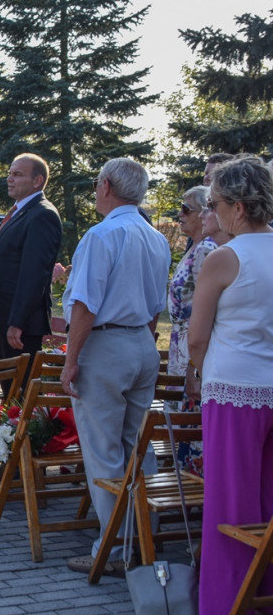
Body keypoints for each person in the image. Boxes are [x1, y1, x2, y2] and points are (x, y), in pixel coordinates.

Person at [60, 157, 171, 576]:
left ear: (106, 186)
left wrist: (71, 360)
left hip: (106, 343)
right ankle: (144, 537)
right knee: (138, 448)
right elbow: (155, 307)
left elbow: (85, 304)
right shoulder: (156, 237)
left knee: (103, 449)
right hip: (141, 342)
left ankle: (114, 547)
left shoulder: (102, 234)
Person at [187, 156, 273, 614]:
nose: (212, 211)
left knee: (231, 503)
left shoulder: (225, 257)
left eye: (216, 202)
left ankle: (226, 602)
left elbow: (197, 336)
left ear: (238, 207)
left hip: (234, 391)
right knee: (269, 499)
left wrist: (198, 371)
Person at [0, 153, 63, 362]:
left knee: (20, 392)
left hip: (18, 328)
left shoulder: (43, 214)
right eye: (9, 173)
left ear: (37, 181)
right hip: (1, 320)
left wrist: (18, 323)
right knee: (9, 391)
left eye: (17, 174)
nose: (10, 179)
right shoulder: (18, 211)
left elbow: (34, 275)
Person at [167, 186, 222, 476]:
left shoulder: (207, 250)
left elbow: (206, 312)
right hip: (183, 345)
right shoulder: (195, 247)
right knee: (185, 425)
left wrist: (194, 367)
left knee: (193, 427)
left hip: (195, 351)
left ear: (205, 213)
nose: (180, 214)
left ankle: (198, 495)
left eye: (186, 208)